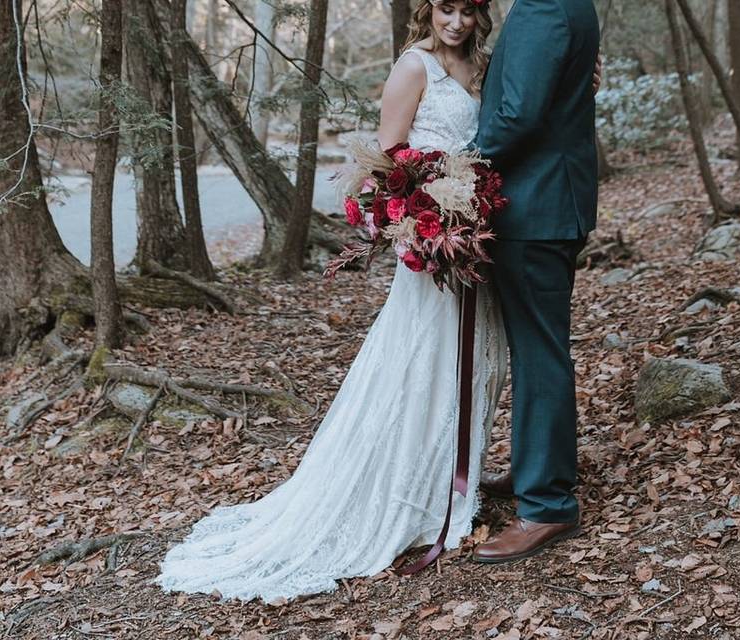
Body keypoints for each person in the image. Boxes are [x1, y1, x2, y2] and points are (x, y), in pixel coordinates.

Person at [153, 0, 508, 602]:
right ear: (429, 11)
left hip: (472, 236)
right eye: (445, 10)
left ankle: (449, 482)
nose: (455, 23)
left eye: (467, 12)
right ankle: (405, 492)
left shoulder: (477, 66)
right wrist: (429, 211)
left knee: (472, 359)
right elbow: (391, 162)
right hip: (432, 239)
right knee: (421, 359)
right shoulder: (414, 67)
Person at [471, 0, 601, 563]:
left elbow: (519, 113)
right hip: (547, 200)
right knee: (534, 350)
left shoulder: (545, 7)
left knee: (541, 353)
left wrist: (459, 165)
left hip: (536, 205)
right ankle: (537, 471)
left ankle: (547, 506)